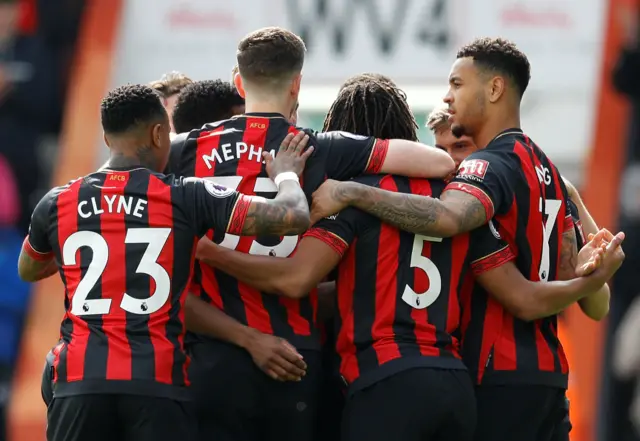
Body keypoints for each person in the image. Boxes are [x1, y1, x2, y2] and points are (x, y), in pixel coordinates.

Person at [195, 75, 625, 441]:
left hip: (389, 383)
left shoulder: (352, 200)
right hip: (466, 381)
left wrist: (212, 256)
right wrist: (589, 276)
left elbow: (299, 280)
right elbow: (532, 294)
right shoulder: (465, 201)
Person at [309, 37, 621, 441]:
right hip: (547, 380)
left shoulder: (484, 173)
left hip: (491, 377)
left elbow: (449, 219)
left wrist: (351, 192)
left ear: (493, 90)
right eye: (442, 148)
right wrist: (590, 279)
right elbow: (596, 304)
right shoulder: (551, 175)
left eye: (457, 84)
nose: (450, 162)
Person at [178, 26, 455, 441]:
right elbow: (438, 163)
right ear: (297, 85)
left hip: (213, 359)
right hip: (296, 358)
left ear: (239, 81)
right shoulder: (319, 148)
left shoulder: (182, 150)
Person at [17, 83, 313, 441]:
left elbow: (29, 269)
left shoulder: (57, 202)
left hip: (80, 380)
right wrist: (286, 175)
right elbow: (292, 216)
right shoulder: (185, 195)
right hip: (155, 382)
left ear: (108, 138)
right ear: (160, 134)